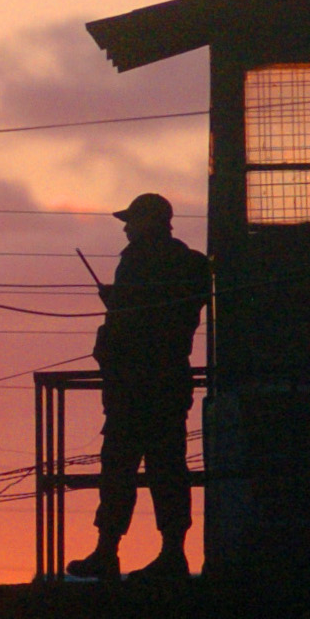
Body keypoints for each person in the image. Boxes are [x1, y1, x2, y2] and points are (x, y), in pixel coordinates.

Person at [67, 192, 211, 582]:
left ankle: (109, 551)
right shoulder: (191, 264)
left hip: (134, 386)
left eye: (131, 221)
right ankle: (171, 553)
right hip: (168, 384)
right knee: (168, 469)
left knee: (119, 469)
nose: (127, 229)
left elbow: (135, 325)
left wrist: (116, 306)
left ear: (148, 222)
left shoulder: (136, 261)